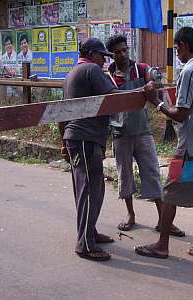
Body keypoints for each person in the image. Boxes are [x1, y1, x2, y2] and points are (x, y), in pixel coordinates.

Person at [135, 27, 193, 263]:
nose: (177, 53)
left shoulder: (189, 72)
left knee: (169, 193)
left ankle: (162, 245)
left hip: (192, 147)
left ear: (184, 46)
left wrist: (155, 101)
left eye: (177, 48)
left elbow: (181, 114)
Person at [105, 34, 184, 237]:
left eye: (124, 50)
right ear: (111, 55)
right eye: (117, 52)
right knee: (125, 176)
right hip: (120, 133)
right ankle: (131, 215)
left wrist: (154, 82)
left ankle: (163, 220)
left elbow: (155, 78)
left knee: (152, 174)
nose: (122, 54)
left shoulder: (141, 69)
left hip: (143, 131)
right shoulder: (109, 77)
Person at [60, 38, 118, 262]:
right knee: (90, 189)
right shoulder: (92, 70)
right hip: (85, 137)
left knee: (88, 188)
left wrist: (63, 141)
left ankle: (89, 231)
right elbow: (114, 96)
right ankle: (85, 243)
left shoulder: (71, 74)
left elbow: (60, 112)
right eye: (102, 55)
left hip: (76, 137)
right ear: (92, 54)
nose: (104, 60)